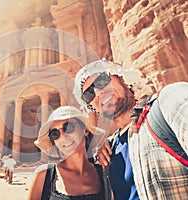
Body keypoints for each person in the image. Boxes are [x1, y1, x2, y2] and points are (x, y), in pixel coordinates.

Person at [73, 59, 188, 199]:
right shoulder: (109, 149)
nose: (98, 93)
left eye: (102, 80)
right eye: (89, 94)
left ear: (122, 77)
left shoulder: (167, 101)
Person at [28, 106, 107, 200]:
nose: (63, 137)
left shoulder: (103, 173)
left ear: (85, 130)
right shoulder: (44, 175)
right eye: (55, 134)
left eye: (68, 127)